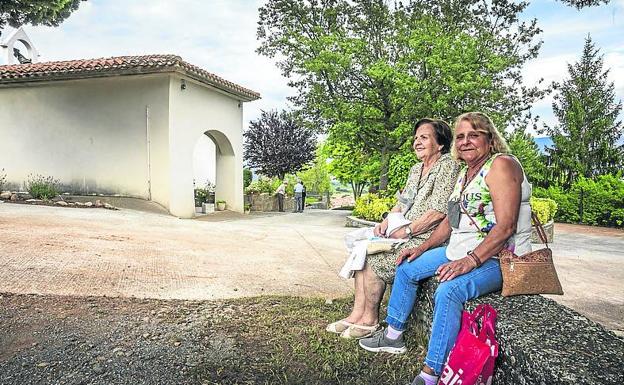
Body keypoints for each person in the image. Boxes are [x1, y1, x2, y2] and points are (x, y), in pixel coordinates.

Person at [358, 112, 532, 385]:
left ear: (490, 138)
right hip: (462, 250)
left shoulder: (502, 165)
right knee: (407, 266)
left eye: (474, 135)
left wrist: (471, 261)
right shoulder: (465, 173)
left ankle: (431, 373)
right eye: (460, 136)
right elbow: (451, 223)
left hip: (500, 257)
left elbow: (506, 227)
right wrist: (422, 247)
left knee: (449, 291)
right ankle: (393, 336)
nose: (465, 141)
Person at [326, 118, 461, 339]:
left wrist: (407, 231)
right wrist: (387, 221)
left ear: (440, 144)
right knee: (363, 251)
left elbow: (438, 212)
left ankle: (370, 320)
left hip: (427, 238)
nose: (417, 142)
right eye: (416, 138)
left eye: (424, 137)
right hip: (403, 234)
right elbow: (403, 201)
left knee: (375, 261)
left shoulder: (448, 165)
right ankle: (356, 314)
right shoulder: (417, 169)